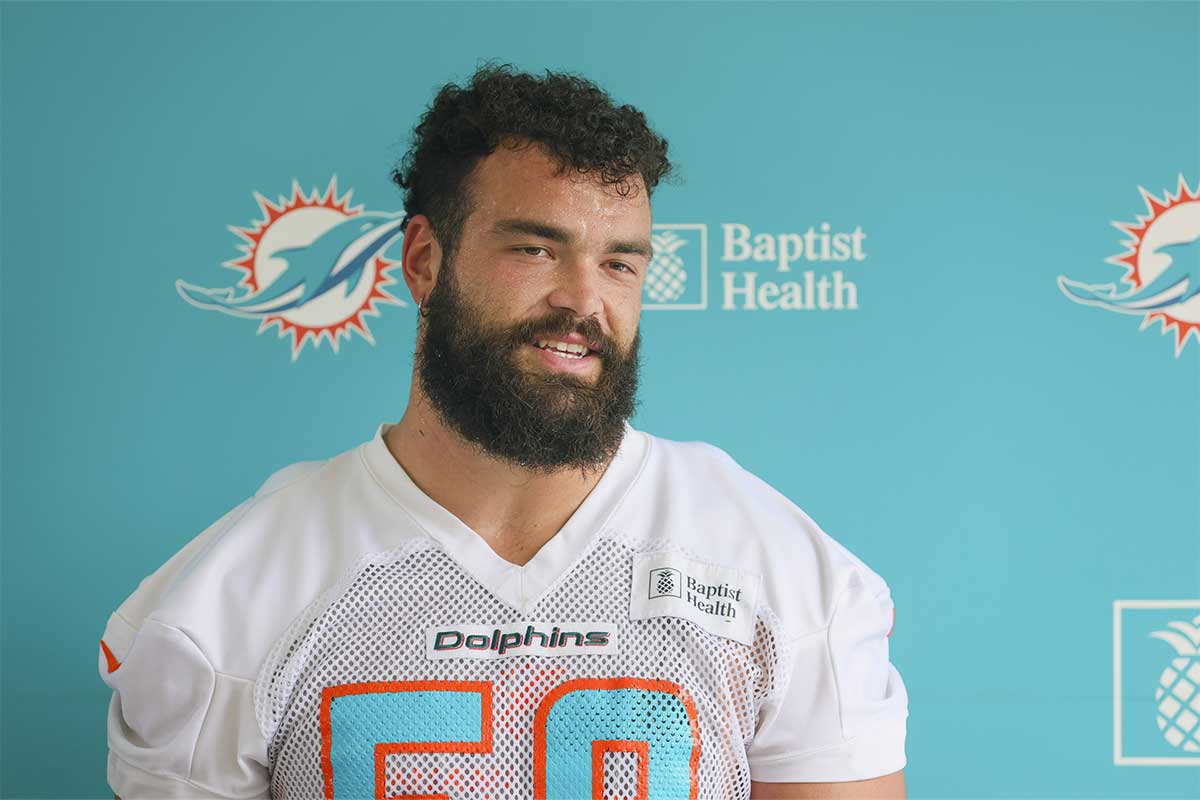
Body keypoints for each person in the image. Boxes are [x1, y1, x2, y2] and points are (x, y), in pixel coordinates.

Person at [99, 63, 908, 799]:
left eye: (621, 263)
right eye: (535, 248)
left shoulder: (784, 574)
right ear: (423, 259)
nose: (584, 302)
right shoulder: (227, 599)